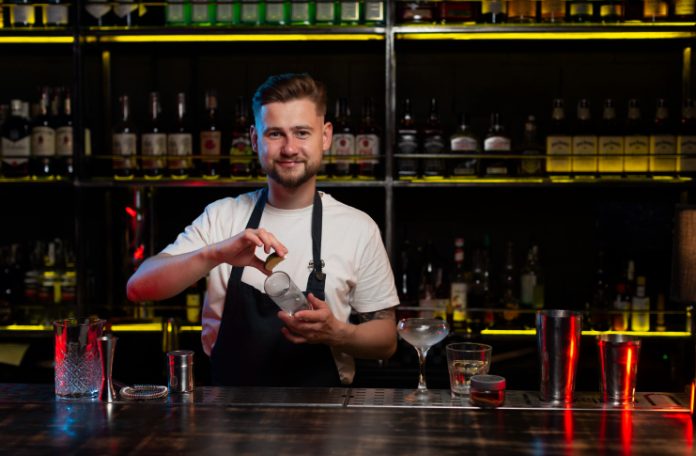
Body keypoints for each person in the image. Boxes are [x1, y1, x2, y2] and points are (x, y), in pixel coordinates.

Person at [126, 73, 399, 387]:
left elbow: (386, 339)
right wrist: (214, 254)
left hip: (326, 422)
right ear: (255, 139)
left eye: (301, 132)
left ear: (325, 137)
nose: (289, 148)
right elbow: (139, 288)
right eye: (275, 134)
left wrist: (338, 332)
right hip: (228, 417)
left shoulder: (358, 228)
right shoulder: (222, 217)